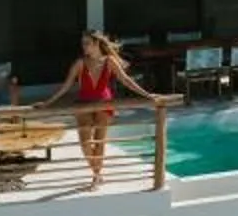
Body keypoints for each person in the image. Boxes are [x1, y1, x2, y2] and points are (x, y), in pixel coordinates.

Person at [38, 31, 158, 186]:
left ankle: (96, 175)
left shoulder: (109, 61)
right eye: (82, 43)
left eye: (87, 43)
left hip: (104, 102)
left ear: (96, 44)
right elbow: (66, 86)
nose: (83, 46)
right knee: (85, 142)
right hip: (84, 103)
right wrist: (47, 103)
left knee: (100, 141)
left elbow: (126, 81)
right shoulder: (80, 63)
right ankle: (96, 171)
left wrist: (147, 95)